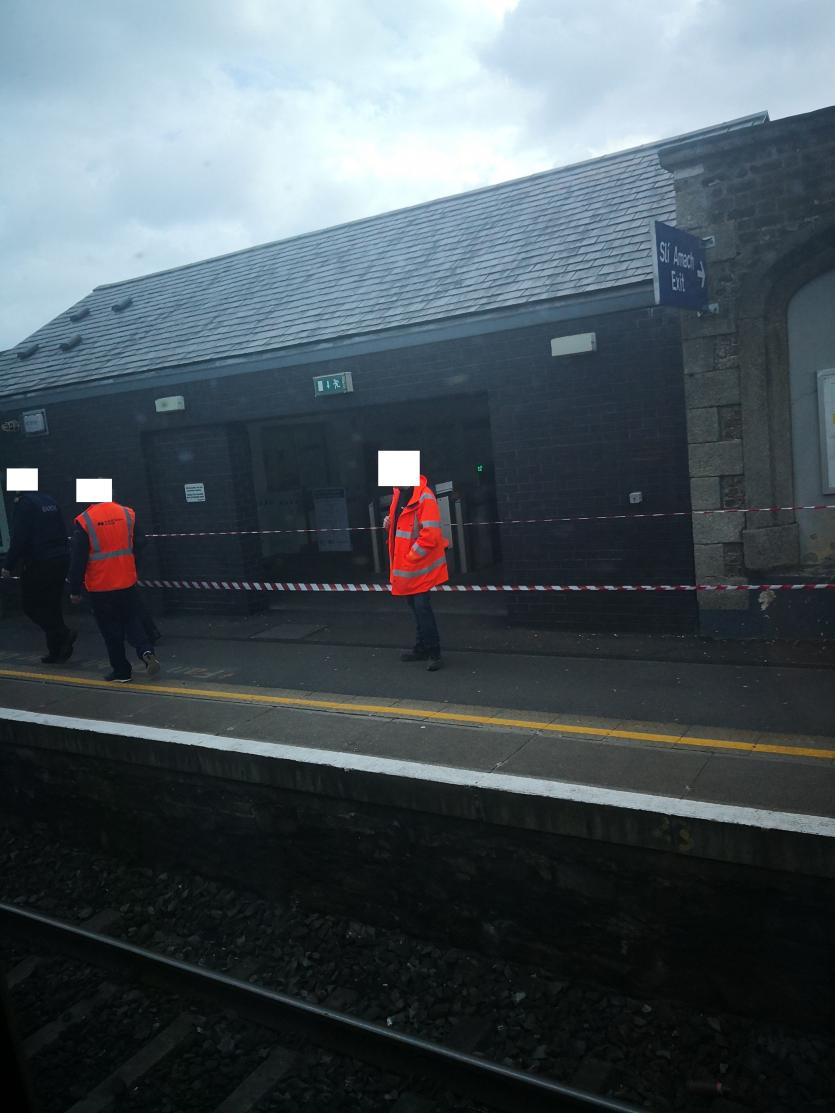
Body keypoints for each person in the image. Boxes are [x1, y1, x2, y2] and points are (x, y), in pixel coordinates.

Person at [68, 497, 160, 682]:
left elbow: (78, 558)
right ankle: (146, 651)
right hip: (126, 581)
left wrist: (75, 589)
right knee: (132, 620)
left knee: (111, 630)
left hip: (100, 586)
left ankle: (122, 671)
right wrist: (133, 565)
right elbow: (141, 542)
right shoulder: (127, 513)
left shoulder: (86, 520)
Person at [1, 491, 76, 663]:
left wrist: (8, 565)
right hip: (60, 558)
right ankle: (57, 651)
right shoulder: (49, 499)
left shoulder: (24, 504)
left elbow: (20, 537)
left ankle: (63, 633)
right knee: (52, 605)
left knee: (30, 606)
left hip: (39, 561)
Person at [385, 474, 450, 671]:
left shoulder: (425, 496)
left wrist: (410, 558)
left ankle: (433, 652)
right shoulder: (399, 494)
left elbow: (430, 536)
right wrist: (390, 522)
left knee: (422, 608)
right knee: (416, 607)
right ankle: (422, 648)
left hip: (419, 566)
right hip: (408, 567)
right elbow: (402, 524)